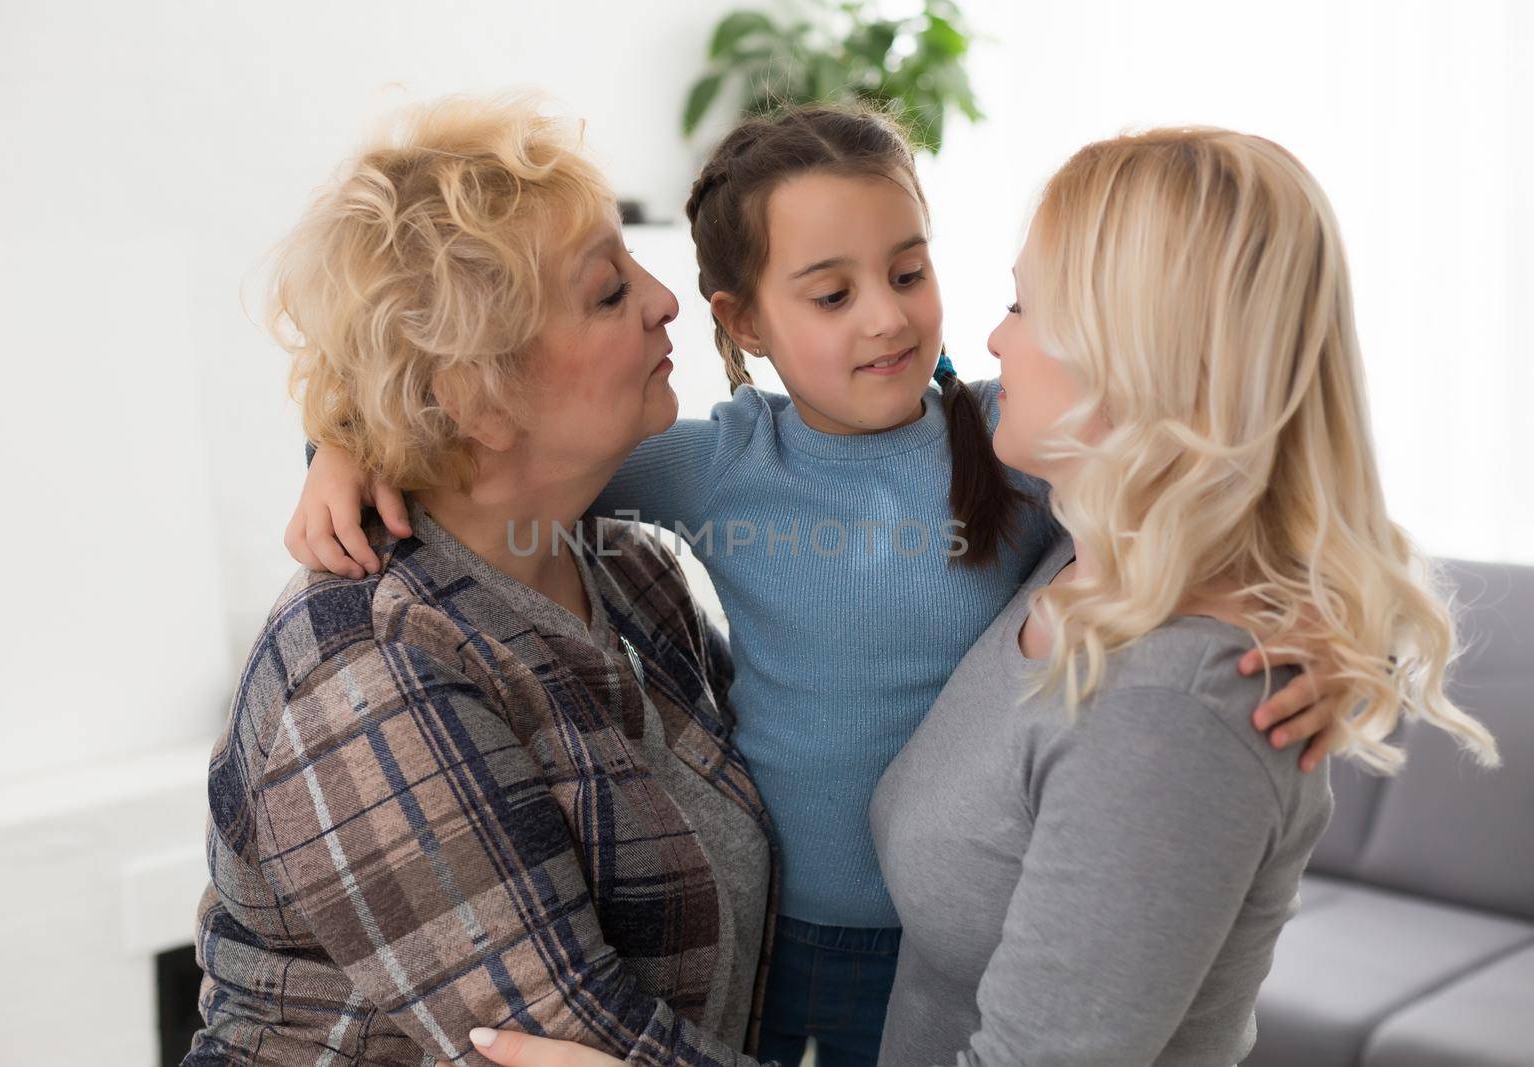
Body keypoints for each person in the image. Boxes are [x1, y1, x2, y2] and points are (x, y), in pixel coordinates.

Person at [290, 106, 1346, 1066]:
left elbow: (1221, 483)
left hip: (937, 933)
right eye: (832, 293)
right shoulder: (720, 469)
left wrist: (1330, 633)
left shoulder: (1017, 444)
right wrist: (340, 449)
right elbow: (471, 452)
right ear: (744, 323)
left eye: (910, 272)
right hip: (786, 928)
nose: (889, 319)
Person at [870, 128, 1501, 1064]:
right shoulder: (1088, 546)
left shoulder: (1173, 706)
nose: (994, 339)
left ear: (1131, 354)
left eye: (1022, 305)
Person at [185, 95, 775, 1066]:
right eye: (607, 290)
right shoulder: (362, 663)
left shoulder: (635, 573)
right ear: (476, 395)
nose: (666, 299)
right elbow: (568, 1041)